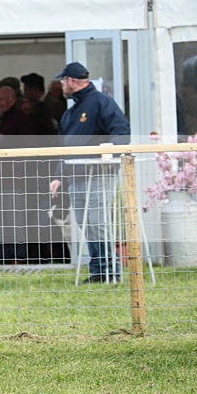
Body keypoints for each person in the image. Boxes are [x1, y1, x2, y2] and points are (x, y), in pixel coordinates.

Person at [49, 62, 129, 284]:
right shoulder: (70, 113)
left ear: (71, 81)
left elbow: (122, 131)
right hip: (76, 176)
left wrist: (109, 151)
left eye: (62, 81)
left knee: (97, 221)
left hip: (98, 173)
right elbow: (66, 148)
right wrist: (58, 175)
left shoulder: (101, 102)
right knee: (85, 223)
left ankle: (109, 271)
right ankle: (98, 270)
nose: (61, 86)